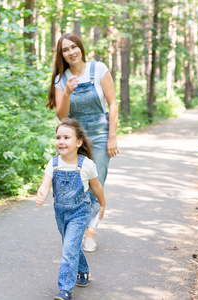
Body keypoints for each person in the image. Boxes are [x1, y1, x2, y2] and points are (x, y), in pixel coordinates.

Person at [46, 32, 119, 252]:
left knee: (96, 184)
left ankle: (89, 232)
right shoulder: (62, 79)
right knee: (78, 184)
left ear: (81, 47)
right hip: (75, 137)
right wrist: (67, 92)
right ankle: (77, 226)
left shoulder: (99, 69)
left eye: (73, 47)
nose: (70, 53)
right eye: (65, 50)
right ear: (62, 55)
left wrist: (112, 136)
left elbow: (113, 103)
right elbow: (62, 116)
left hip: (100, 133)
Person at [36, 118, 106, 300]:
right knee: (71, 244)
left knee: (68, 248)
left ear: (78, 142)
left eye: (67, 137)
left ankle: (65, 290)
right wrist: (41, 194)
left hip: (79, 212)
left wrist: (103, 204)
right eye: (58, 137)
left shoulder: (86, 165)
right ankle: (82, 270)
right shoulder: (53, 163)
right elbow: (45, 184)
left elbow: (96, 187)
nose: (61, 141)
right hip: (60, 212)